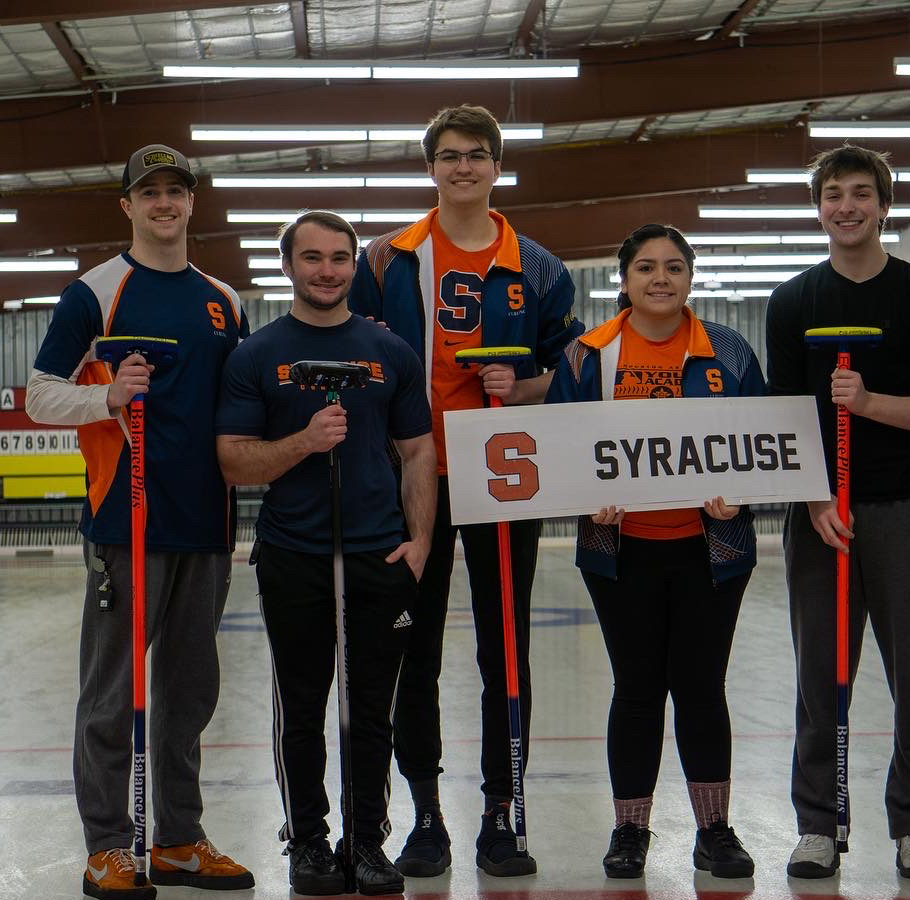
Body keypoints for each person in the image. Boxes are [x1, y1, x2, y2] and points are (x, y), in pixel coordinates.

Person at [348, 104, 582, 877]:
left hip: (504, 477)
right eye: (449, 155)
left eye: (477, 155)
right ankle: (424, 813)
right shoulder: (387, 259)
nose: (463, 168)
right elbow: (355, 353)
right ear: (431, 166)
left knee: (503, 650)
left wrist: (521, 387)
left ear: (496, 165)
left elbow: (568, 378)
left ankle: (500, 811)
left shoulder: (542, 269)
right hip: (413, 480)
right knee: (412, 649)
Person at [25, 144, 254, 900]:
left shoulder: (224, 298)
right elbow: (40, 395)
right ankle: (107, 847)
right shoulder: (94, 294)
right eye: (148, 192)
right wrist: (108, 399)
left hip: (207, 522)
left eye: (175, 192)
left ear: (193, 202)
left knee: (189, 694)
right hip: (126, 521)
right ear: (127, 205)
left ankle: (179, 838)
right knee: (111, 693)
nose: (163, 204)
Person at [215, 211, 437, 896]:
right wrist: (304, 443)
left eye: (339, 257)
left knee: (372, 710)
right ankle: (307, 841)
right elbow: (232, 462)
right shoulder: (255, 355)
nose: (327, 269)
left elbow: (419, 449)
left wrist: (422, 540)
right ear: (289, 266)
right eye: (312, 257)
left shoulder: (389, 351)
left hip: (379, 558)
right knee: (304, 707)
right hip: (294, 555)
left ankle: (367, 842)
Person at [765, 144, 910, 882]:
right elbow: (785, 415)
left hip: (907, 510)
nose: (846, 206)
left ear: (884, 205)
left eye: (860, 193)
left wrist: (871, 403)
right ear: (818, 208)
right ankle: (819, 823)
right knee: (821, 675)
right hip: (820, 515)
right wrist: (813, 497)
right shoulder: (793, 302)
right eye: (832, 195)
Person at [545, 223, 761, 880]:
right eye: (645, 267)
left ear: (691, 277)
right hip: (620, 553)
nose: (660, 278)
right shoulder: (588, 354)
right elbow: (559, 443)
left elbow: (760, 442)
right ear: (624, 280)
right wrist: (587, 493)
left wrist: (740, 497)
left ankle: (714, 829)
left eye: (673, 266)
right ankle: (630, 831)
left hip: (711, 550)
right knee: (636, 690)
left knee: (701, 689)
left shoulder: (728, 350)